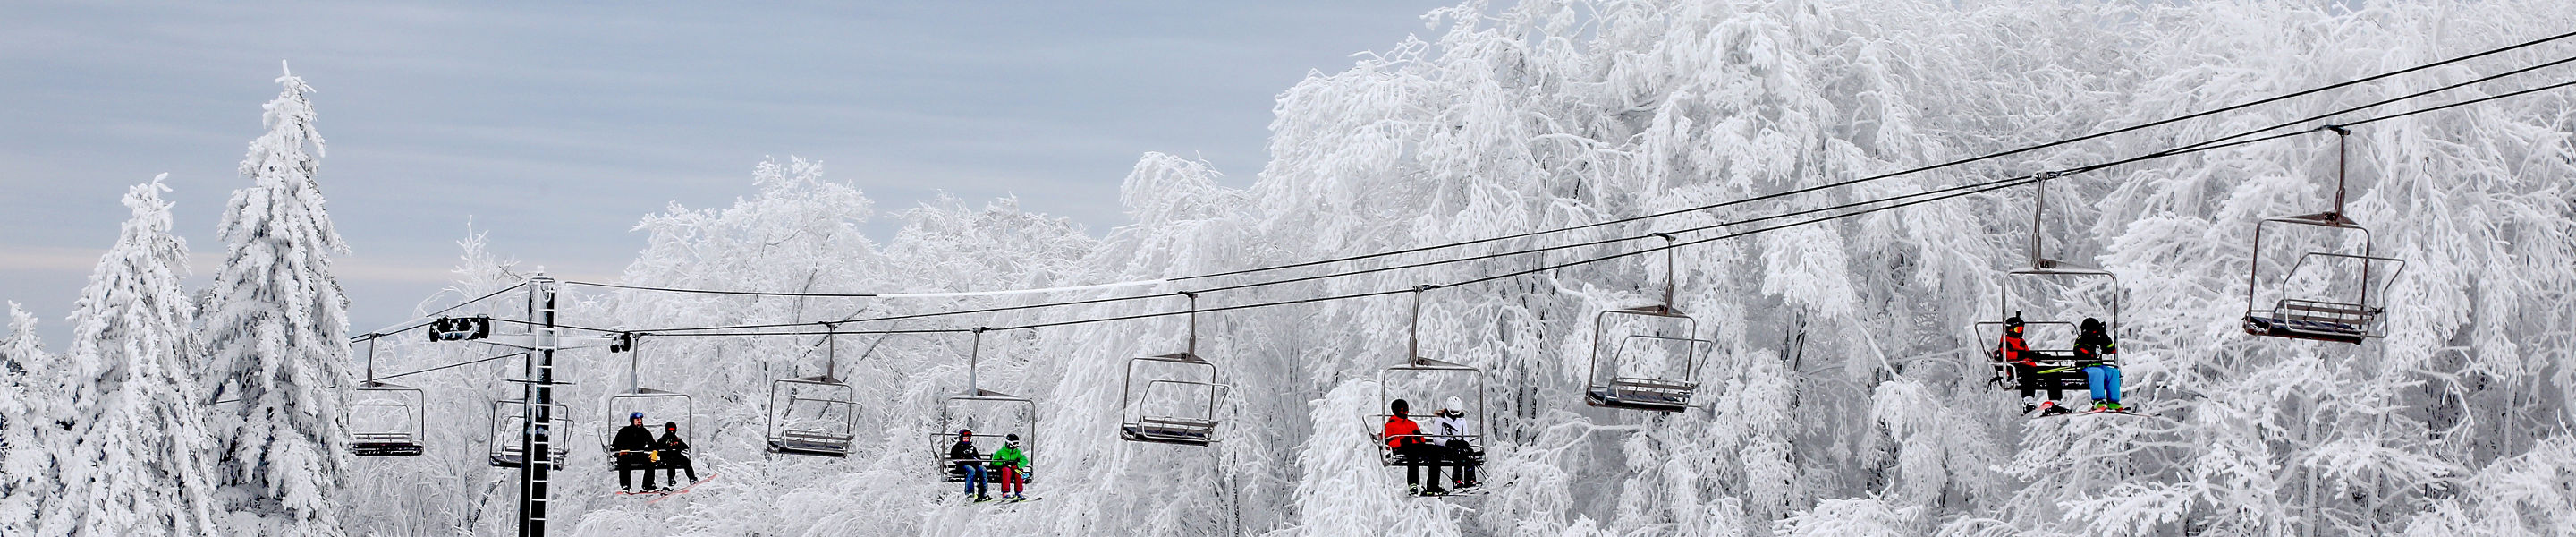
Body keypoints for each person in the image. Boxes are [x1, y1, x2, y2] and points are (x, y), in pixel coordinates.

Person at [1999, 313, 2068, 415]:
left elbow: (2028, 355)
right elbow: (2007, 355)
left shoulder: (2020, 341)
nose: (2020, 332)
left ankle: (2055, 401)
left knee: (2053, 372)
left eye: (2021, 329)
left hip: (2029, 367)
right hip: (2017, 369)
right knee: (2029, 372)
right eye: (2018, 329)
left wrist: (2040, 357)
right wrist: (2025, 355)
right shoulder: (2006, 342)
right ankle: (2028, 400)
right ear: (2010, 329)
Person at [1382, 398, 1446, 496]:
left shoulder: (1411, 424)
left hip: (1416, 446)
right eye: (1403, 410)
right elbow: (1388, 443)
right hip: (1402, 448)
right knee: (1413, 454)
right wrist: (1401, 442)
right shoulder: (1390, 425)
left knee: (1436, 451)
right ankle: (1413, 483)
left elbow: (1422, 440)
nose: (1405, 412)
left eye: (1406, 410)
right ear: (1396, 410)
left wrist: (1419, 437)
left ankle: (1433, 486)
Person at [2073, 318, 2124, 412]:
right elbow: (2079, 351)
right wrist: (2092, 349)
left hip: (2098, 366)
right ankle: (2098, 400)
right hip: (2085, 367)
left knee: (2113, 372)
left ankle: (2113, 401)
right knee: (2098, 372)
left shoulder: (2099, 339)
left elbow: (2111, 349)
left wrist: (2104, 336)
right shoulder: (2081, 339)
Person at [1430, 396, 1480, 490]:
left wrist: (1464, 443)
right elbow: (1436, 439)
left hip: (1458, 445)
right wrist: (1447, 443)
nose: (1456, 414)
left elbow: (1466, 436)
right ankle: (1457, 481)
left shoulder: (1462, 420)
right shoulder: (1440, 420)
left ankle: (1470, 480)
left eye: (1458, 412)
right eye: (1453, 412)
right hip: (1445, 447)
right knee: (1458, 454)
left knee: (1469, 453)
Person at [611, 412, 658, 491]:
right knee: (624, 462)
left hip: (638, 455)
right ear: (632, 421)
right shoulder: (624, 431)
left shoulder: (644, 432)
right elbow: (615, 444)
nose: (639, 421)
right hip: (626, 455)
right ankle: (625, 485)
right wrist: (621, 450)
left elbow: (652, 443)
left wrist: (655, 451)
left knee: (650, 462)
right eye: (637, 419)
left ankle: (648, 484)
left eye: (640, 419)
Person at [946, 429, 987, 499]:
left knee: (983, 470)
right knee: (971, 470)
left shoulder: (972, 448)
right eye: (964, 438)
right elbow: (954, 458)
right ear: (961, 438)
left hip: (974, 465)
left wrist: (976, 460)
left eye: (967, 439)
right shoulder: (957, 448)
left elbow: (978, 458)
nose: (966, 440)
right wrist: (961, 460)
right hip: (963, 466)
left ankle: (983, 492)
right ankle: (969, 493)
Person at [655, 422, 698, 488]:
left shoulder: (677, 439)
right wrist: (667, 449)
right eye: (670, 429)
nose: (672, 431)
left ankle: (692, 478)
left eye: (673, 429)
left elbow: (685, 447)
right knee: (671, 462)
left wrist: (679, 448)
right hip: (666, 457)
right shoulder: (662, 439)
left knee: (686, 461)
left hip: (677, 456)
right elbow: (658, 449)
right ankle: (671, 479)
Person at [991, 433, 1030, 499]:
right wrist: (1002, 464)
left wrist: (1018, 465)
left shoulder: (1017, 452)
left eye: (1017, 443)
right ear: (1009, 443)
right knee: (1007, 470)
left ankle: (1018, 492)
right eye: (1014, 443)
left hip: (1014, 469)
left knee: (1019, 472)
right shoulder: (1001, 452)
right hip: (1004, 470)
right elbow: (994, 461)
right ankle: (1005, 492)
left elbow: (1024, 460)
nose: (1016, 445)